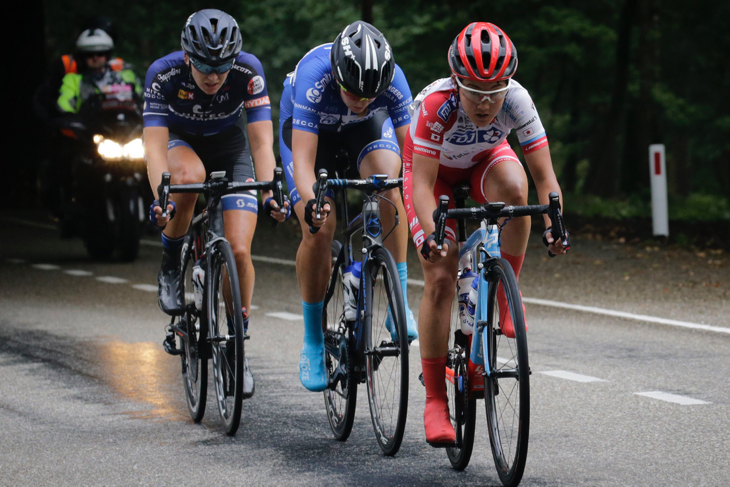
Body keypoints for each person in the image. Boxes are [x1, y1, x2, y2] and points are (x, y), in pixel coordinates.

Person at [402, 22, 569, 446]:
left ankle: (501, 296)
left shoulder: (517, 100)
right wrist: (432, 237)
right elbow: (421, 186)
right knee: (441, 272)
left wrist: (556, 222)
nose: (485, 100)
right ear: (457, 82)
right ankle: (435, 400)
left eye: (494, 89)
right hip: (433, 176)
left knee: (516, 191)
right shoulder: (436, 104)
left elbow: (545, 177)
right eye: (474, 89)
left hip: (482, 163)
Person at [145, 9, 289, 397]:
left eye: (223, 66)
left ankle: (236, 345)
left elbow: (261, 142)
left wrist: (272, 190)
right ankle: (172, 261)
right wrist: (162, 194)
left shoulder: (248, 71)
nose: (214, 76)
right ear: (188, 57)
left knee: (240, 250)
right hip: (181, 143)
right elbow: (155, 148)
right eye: (206, 66)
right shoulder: (163, 74)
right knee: (188, 179)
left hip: (230, 147)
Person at [279, 21, 418, 392]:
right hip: (312, 133)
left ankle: (397, 301)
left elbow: (415, 160)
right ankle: (312, 340)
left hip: (364, 131)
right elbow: (305, 164)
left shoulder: (391, 81)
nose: (362, 100)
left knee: (391, 185)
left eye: (371, 95)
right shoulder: (314, 76)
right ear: (338, 76)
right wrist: (312, 206)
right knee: (320, 227)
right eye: (354, 92)